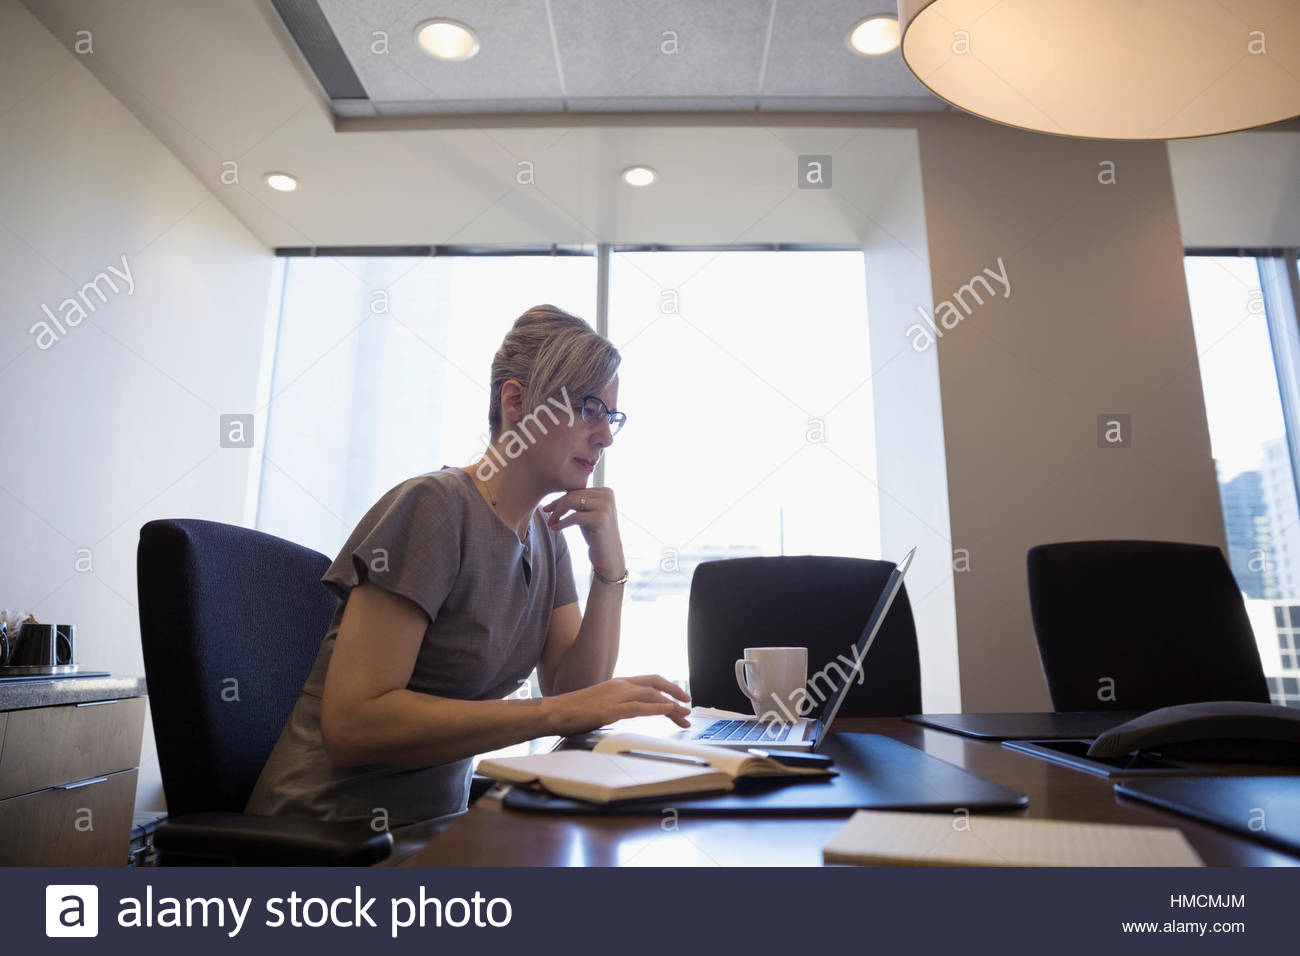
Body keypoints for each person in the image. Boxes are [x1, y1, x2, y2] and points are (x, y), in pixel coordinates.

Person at [244, 304, 691, 827]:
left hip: (433, 833)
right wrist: (550, 714)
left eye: (610, 417)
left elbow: (575, 694)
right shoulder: (433, 508)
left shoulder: (546, 538)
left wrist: (610, 571)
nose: (606, 436)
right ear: (517, 401)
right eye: (590, 408)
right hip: (325, 840)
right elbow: (353, 727)